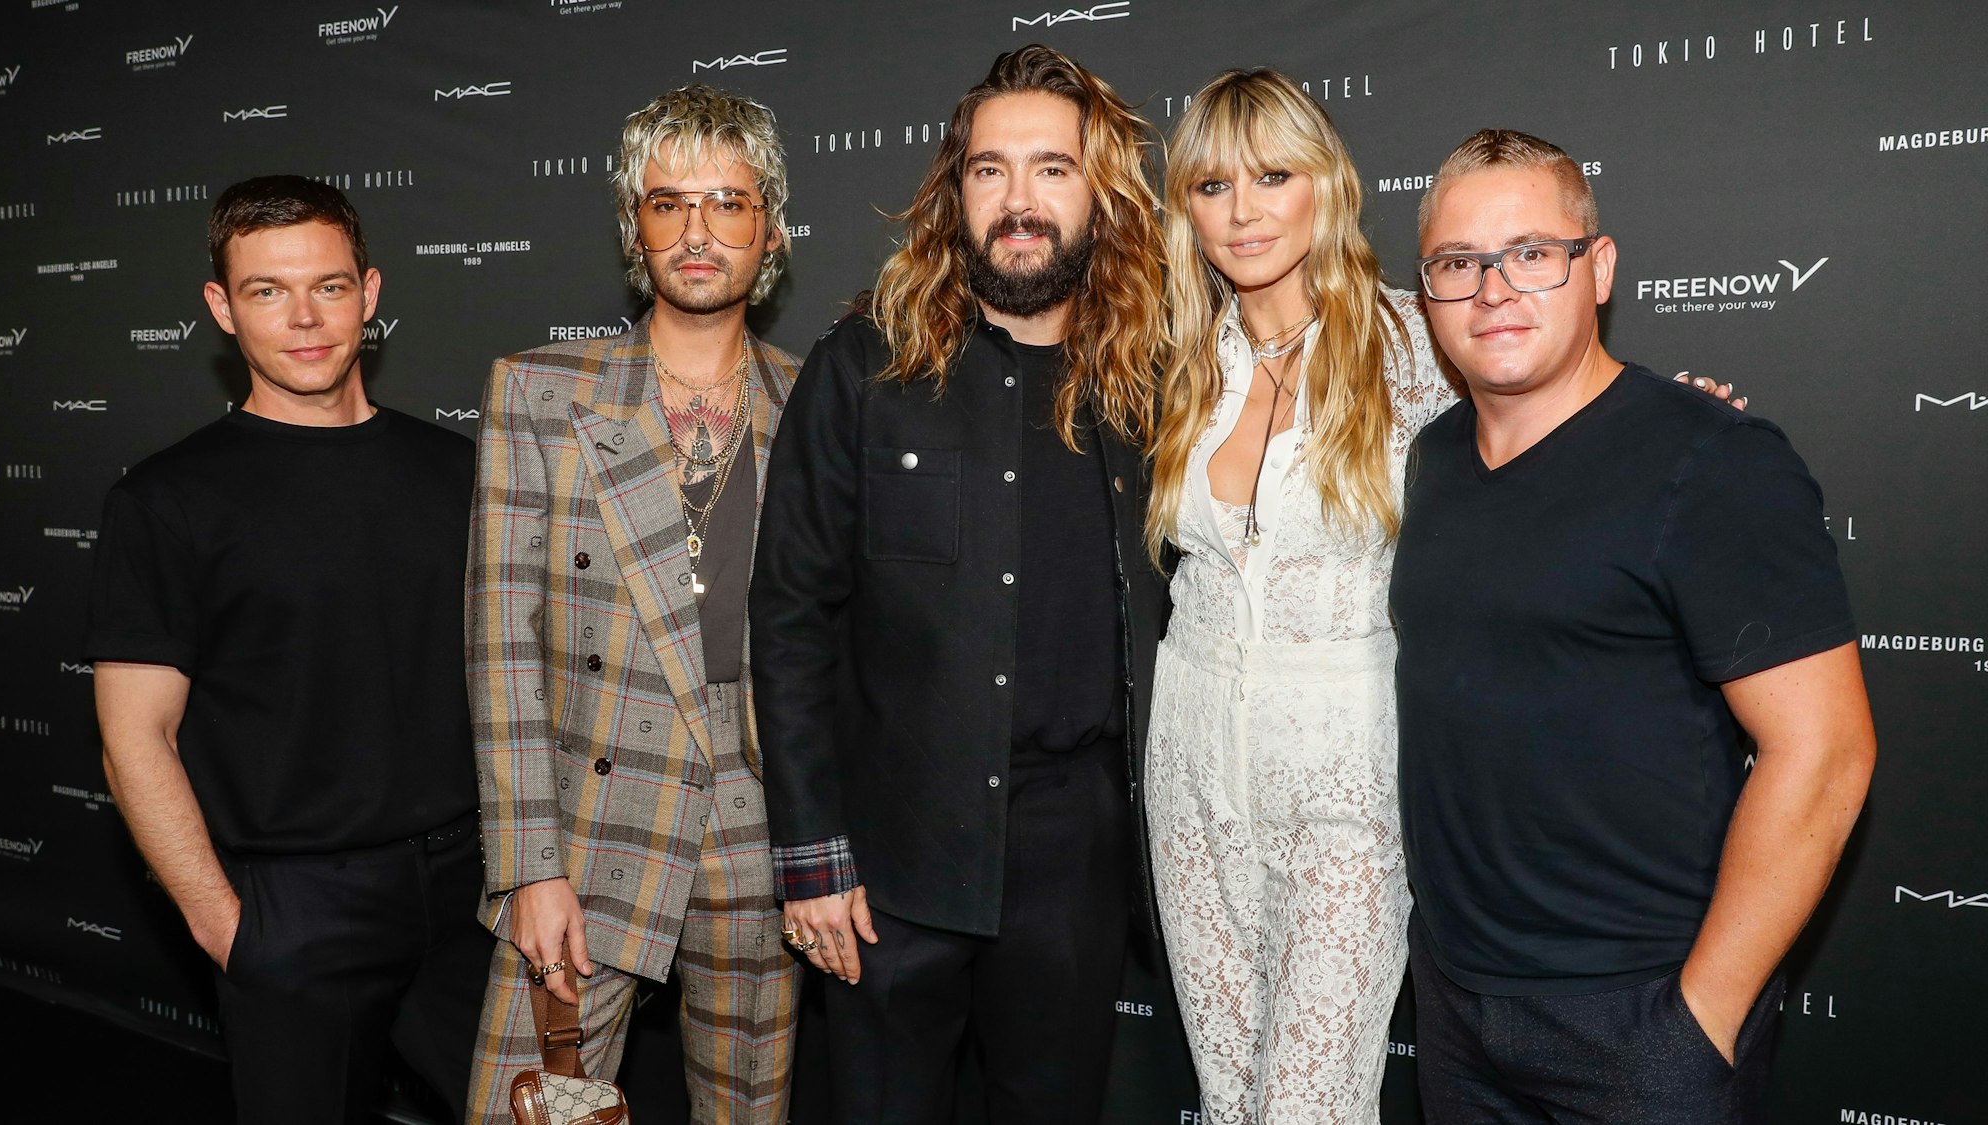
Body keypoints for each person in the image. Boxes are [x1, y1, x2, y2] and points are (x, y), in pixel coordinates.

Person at [1393, 129, 1876, 1124]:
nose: (1492, 290)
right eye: (1455, 264)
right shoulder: (1429, 459)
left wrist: (1699, 1018)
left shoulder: (1710, 462)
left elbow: (1824, 753)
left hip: (1638, 1016)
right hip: (1455, 1007)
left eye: (1530, 253)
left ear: (1596, 268)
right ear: (1425, 290)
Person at [749, 44, 1169, 1123]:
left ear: (1101, 194)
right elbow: (790, 617)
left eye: (1050, 170)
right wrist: (809, 862)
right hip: (888, 864)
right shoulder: (862, 366)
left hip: (1075, 862)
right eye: (989, 170)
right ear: (953, 191)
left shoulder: (1154, 383)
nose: (1017, 201)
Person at [88, 175, 491, 1122]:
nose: (305, 318)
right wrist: (225, 926)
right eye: (268, 291)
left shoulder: (461, 471)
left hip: (474, 890)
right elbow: (133, 739)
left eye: (330, 286)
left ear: (372, 292)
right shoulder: (165, 499)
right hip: (295, 905)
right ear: (222, 308)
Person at [461, 85, 802, 1125]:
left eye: (727, 203)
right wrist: (527, 866)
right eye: (667, 204)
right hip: (589, 830)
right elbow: (499, 648)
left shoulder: (816, 405)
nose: (697, 233)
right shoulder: (540, 392)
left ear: (769, 228)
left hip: (761, 832)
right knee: (527, 1110)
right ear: (633, 226)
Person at [1139, 69, 1450, 1124]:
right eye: (1211, 185)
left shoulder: (1414, 345)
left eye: (1272, 176)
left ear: (1323, 184)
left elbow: (1553, 419)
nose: (1242, 211)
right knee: (1228, 1098)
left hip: (1348, 786)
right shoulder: (1178, 359)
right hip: (1187, 771)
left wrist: (1664, 420)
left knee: (1306, 1104)